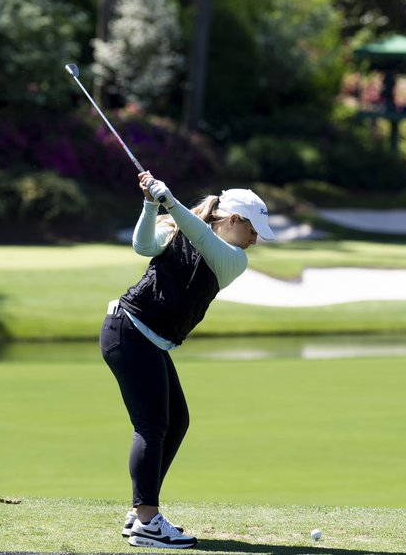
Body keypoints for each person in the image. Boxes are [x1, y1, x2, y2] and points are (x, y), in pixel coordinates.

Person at [100, 170, 275, 549]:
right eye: (253, 230)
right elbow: (143, 246)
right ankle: (147, 520)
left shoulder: (233, 259)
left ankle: (140, 512)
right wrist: (150, 205)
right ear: (233, 220)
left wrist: (169, 201)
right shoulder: (180, 228)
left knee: (175, 421)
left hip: (145, 338)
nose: (256, 239)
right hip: (129, 329)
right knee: (152, 425)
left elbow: (201, 237)